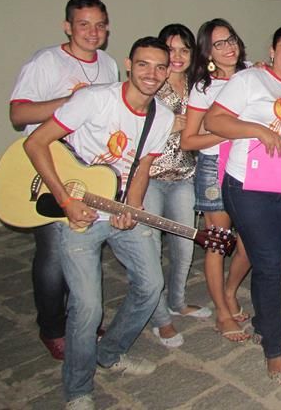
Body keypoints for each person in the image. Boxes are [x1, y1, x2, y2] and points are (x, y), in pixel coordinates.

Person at [23, 37, 175, 409]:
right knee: (88, 307)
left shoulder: (162, 117)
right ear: (128, 64)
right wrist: (65, 200)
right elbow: (35, 143)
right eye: (143, 64)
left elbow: (142, 167)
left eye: (160, 66)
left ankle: (110, 352)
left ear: (168, 71)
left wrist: (132, 208)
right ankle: (78, 390)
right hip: (76, 214)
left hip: (118, 207)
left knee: (151, 286)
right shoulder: (94, 100)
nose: (151, 73)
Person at [205, 25, 281, 385]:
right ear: (272, 50)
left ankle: (263, 325)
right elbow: (213, 120)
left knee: (269, 259)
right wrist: (258, 129)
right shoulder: (249, 79)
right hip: (247, 185)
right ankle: (273, 348)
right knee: (270, 264)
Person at [9, 0, 119, 361]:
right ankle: (52, 327)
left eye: (99, 25)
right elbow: (18, 115)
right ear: (67, 27)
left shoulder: (109, 65)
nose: (92, 32)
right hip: (49, 168)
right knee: (54, 252)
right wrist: (74, 103)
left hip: (88, 172)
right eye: (83, 24)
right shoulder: (45, 61)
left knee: (82, 249)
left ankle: (80, 319)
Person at [181, 19, 252, 342]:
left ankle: (229, 290)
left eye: (231, 39)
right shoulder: (203, 88)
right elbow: (188, 140)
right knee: (219, 243)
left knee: (250, 244)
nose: (228, 47)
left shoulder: (253, 74)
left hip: (250, 165)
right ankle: (222, 312)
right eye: (219, 44)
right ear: (208, 52)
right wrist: (226, 132)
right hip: (214, 167)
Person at [144, 24, 211, 348]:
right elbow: (130, 127)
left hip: (184, 176)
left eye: (185, 49)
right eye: (171, 49)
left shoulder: (197, 85)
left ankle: (177, 301)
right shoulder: (150, 84)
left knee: (184, 247)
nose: (178, 56)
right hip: (149, 179)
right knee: (150, 251)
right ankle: (160, 319)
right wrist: (167, 126)